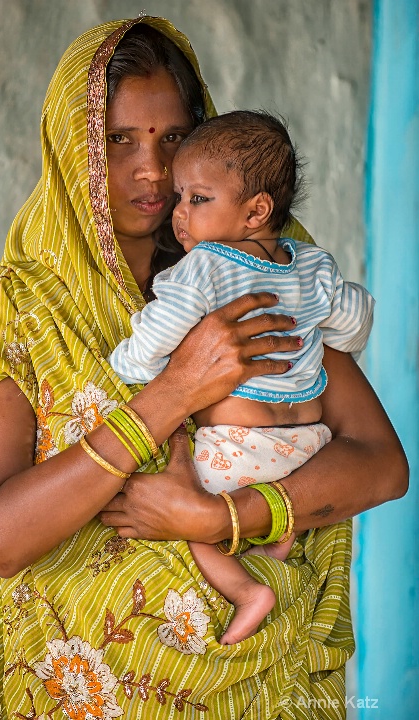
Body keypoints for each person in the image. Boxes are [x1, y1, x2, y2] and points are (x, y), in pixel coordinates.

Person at [0, 17, 407, 720]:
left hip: (255, 692)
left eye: (172, 139)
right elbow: (3, 539)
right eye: (117, 140)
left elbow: (381, 464)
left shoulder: (256, 269)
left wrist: (218, 517)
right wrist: (171, 394)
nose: (151, 169)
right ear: (70, 148)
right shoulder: (9, 312)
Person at [109, 109, 374, 644]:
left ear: (256, 210)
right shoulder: (311, 264)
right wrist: (323, 339)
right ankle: (278, 534)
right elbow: (356, 320)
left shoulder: (206, 265)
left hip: (238, 448)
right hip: (309, 444)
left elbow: (160, 332)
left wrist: (130, 363)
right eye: (181, 197)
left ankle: (246, 591)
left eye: (198, 199)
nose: (179, 213)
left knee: (181, 512)